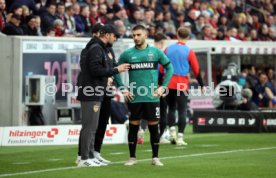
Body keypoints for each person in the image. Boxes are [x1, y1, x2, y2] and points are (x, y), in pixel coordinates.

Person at [115, 25, 174, 166]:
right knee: (134, 126)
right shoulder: (127, 54)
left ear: (145, 35)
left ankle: (155, 157)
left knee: (154, 126)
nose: (135, 37)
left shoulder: (156, 52)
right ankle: (132, 158)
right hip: (134, 97)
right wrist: (123, 88)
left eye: (138, 34)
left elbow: (170, 67)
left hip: (152, 97)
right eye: (134, 35)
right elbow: (116, 70)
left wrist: (163, 87)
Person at [76, 24, 130, 167]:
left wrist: (111, 73)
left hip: (97, 90)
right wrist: (114, 70)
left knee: (93, 126)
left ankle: (90, 155)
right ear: (107, 34)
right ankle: (83, 158)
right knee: (90, 126)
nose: (115, 39)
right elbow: (94, 70)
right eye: (114, 36)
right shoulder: (95, 49)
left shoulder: (101, 49)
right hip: (91, 91)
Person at [164, 27, 204, 146]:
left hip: (169, 81)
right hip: (181, 83)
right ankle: (180, 137)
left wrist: (160, 82)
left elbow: (161, 67)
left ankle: (172, 132)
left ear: (177, 34)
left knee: (170, 108)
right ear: (188, 37)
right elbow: (196, 70)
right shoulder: (189, 51)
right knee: (182, 110)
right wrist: (201, 84)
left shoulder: (168, 49)